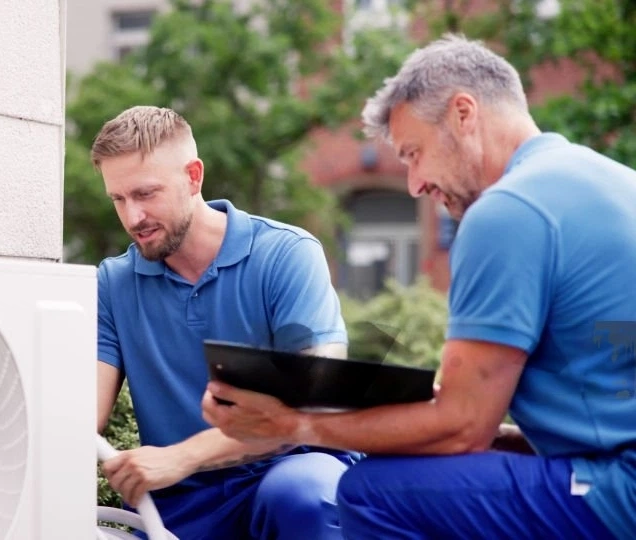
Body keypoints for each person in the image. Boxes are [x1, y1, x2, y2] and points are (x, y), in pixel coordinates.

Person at [201, 34, 635, 540]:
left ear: (463, 114)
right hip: (611, 476)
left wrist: (290, 426)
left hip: (617, 492)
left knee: (373, 490)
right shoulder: (611, 180)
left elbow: (460, 429)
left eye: (413, 153)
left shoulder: (507, 212)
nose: (414, 184)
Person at [92, 105, 357, 539]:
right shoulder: (114, 282)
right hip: (181, 502)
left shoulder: (286, 255)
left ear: (193, 176)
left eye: (145, 194)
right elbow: (82, 416)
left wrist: (185, 455)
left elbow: (318, 397)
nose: (132, 217)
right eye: (118, 199)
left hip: (288, 474)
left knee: (302, 492)